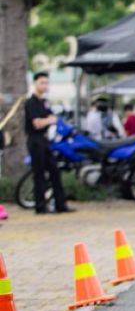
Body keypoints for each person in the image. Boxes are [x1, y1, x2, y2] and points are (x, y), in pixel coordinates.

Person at [24, 72, 72, 214]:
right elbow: (37, 123)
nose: (45, 86)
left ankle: (60, 204)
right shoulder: (31, 103)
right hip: (35, 140)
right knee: (39, 173)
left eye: (46, 83)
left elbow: (53, 117)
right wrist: (49, 120)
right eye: (42, 83)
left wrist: (51, 120)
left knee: (54, 171)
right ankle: (40, 206)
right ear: (35, 84)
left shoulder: (44, 102)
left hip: (45, 140)